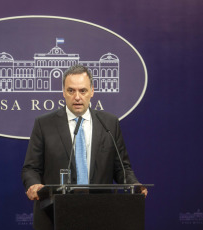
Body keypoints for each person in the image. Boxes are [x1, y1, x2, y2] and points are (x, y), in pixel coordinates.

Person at [21, 65, 147, 230]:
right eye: (71, 91)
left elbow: (122, 168)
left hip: (100, 213)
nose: (77, 97)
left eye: (83, 90)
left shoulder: (109, 123)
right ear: (64, 92)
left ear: (92, 91)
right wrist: (34, 185)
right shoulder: (44, 124)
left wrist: (135, 186)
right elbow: (30, 168)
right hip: (54, 214)